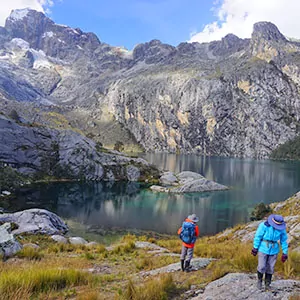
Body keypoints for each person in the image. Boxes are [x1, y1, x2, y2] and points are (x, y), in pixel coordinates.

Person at [251, 214, 288, 290]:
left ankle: (268, 284)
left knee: (271, 267)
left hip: (274, 249)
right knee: (261, 266)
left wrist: (285, 252)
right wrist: (255, 248)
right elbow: (258, 236)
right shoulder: (264, 226)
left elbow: (283, 241)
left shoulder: (282, 229)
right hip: (263, 248)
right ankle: (259, 280)